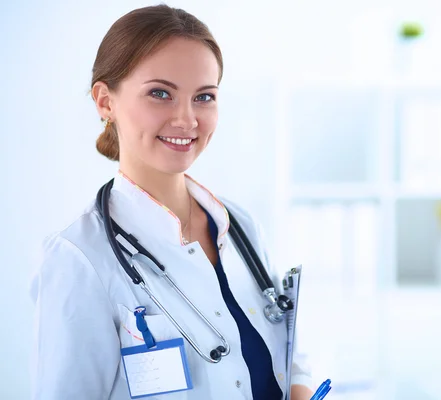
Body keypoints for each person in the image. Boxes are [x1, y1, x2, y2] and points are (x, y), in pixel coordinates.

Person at [29, 5, 314, 399]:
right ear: (105, 102)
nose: (187, 119)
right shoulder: (79, 257)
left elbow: (289, 360)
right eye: (160, 94)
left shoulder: (240, 225)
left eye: (204, 96)